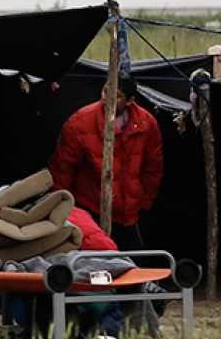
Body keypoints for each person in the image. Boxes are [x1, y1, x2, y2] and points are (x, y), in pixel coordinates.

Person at [48, 76, 163, 252]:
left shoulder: (145, 123)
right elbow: (62, 168)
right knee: (94, 258)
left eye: (116, 96)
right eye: (105, 91)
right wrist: (63, 206)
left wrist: (144, 201)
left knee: (133, 258)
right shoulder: (80, 123)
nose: (107, 98)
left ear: (130, 100)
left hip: (128, 210)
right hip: (91, 205)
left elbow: (153, 167)